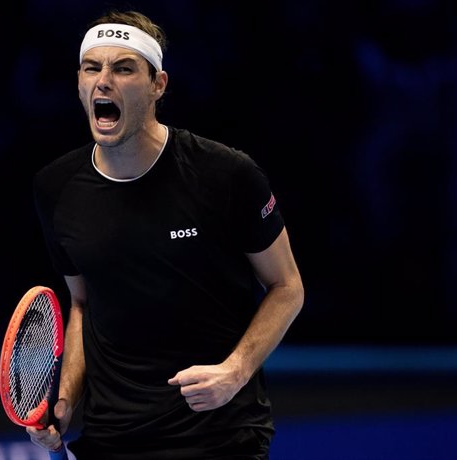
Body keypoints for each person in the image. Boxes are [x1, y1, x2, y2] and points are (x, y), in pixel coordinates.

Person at [26, 9, 304, 460]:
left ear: (158, 85)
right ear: (79, 82)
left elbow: (287, 287)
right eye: (92, 67)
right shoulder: (55, 187)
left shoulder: (226, 175)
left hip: (221, 437)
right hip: (111, 438)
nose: (103, 81)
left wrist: (235, 372)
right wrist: (66, 401)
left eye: (123, 68)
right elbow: (81, 303)